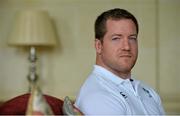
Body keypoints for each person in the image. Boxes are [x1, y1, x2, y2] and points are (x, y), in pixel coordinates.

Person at [74, 8, 165, 115]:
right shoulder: (98, 95)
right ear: (99, 46)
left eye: (132, 38)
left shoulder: (147, 91)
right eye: (116, 38)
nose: (126, 47)